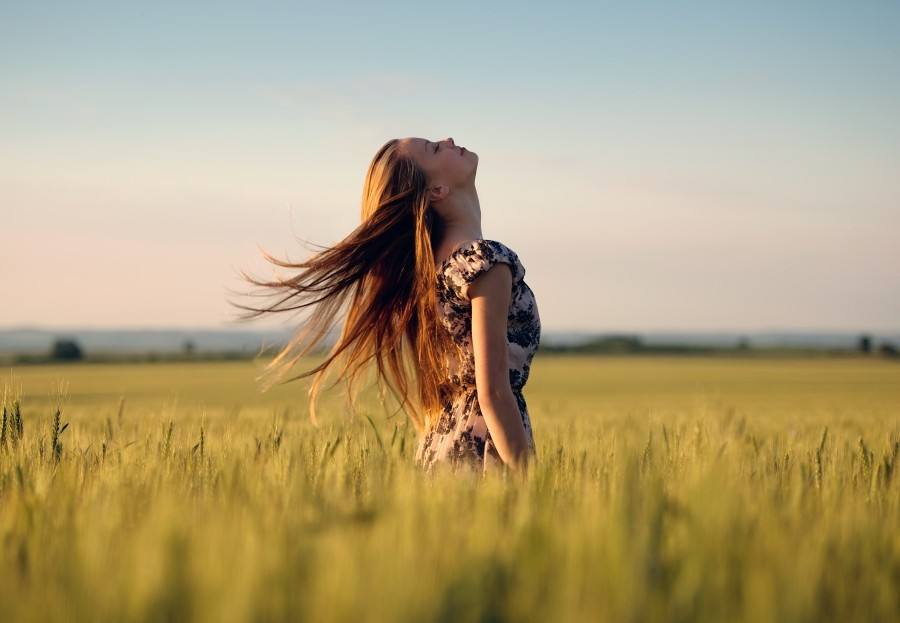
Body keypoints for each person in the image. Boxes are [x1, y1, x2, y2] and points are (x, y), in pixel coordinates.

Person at [232, 137, 541, 474]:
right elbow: (494, 392)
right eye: (435, 149)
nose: (448, 140)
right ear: (437, 189)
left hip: (440, 445)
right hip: (483, 449)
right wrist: (533, 491)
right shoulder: (484, 262)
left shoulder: (429, 272)